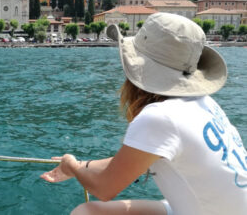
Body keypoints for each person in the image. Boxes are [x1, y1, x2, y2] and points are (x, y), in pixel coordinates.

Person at [40, 12, 247, 215]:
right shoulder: (204, 103)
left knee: (84, 213)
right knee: (88, 211)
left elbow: (103, 189)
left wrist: (72, 165)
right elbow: (138, 159)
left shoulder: (160, 117)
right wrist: (83, 166)